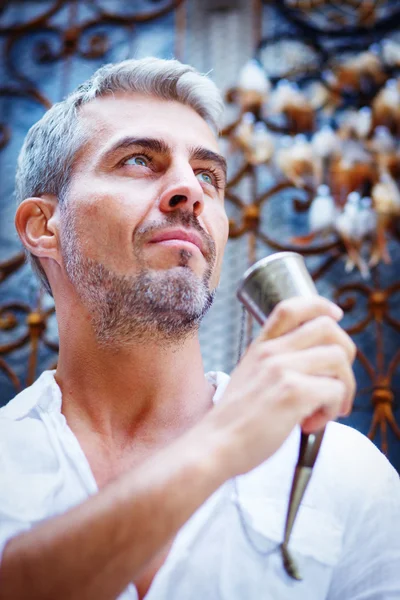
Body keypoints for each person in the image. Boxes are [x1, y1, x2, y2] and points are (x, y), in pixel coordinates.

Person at [0, 57, 398, 600]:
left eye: (209, 175)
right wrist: (223, 442)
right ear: (44, 227)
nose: (190, 191)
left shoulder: (345, 471)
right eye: (140, 160)